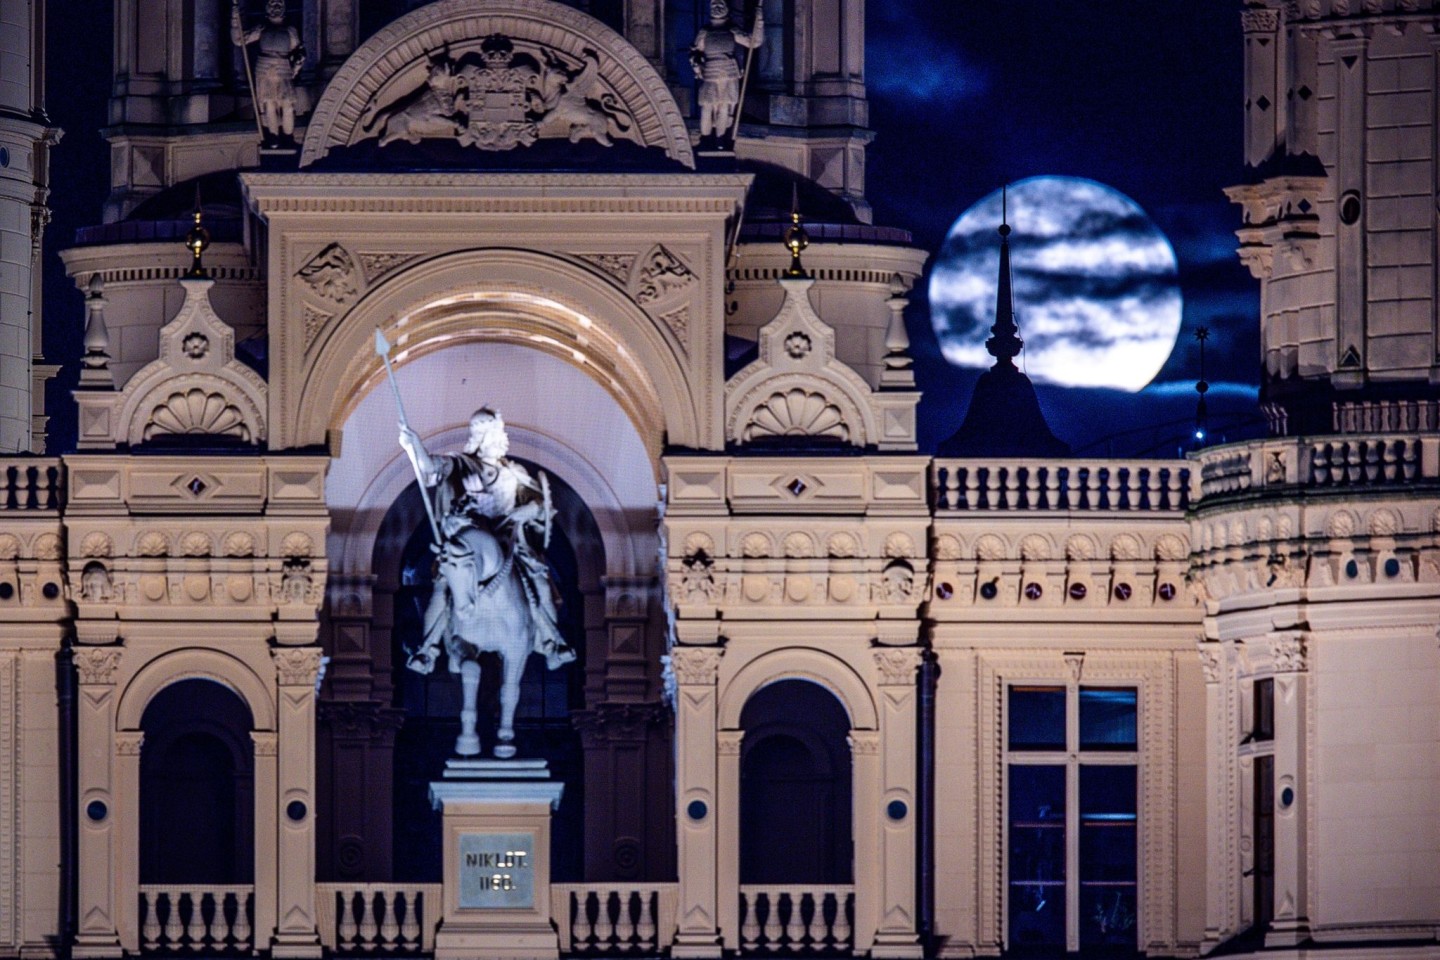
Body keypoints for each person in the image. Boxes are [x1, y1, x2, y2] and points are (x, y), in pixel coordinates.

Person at [399, 408, 574, 674]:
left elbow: (541, 505)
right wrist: (414, 448)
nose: (502, 438)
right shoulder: (460, 464)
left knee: (540, 581)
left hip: (510, 543)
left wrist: (532, 510)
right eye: (496, 433)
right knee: (443, 585)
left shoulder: (513, 471)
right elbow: (430, 468)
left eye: (500, 433)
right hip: (467, 546)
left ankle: (552, 642)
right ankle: (429, 649)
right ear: (482, 436)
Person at [231, 0, 306, 146]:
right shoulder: (262, 28)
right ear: (267, 8)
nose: (276, 8)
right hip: (264, 69)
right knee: (269, 105)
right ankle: (273, 139)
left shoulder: (290, 30)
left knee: (288, 105)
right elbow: (239, 39)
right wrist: (235, 19)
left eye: (279, 5)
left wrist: (298, 63)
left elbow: (299, 50)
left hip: (283, 69)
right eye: (273, 5)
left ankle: (288, 138)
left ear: (284, 8)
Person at [690, 0, 764, 140]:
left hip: (729, 73)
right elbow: (695, 52)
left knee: (724, 107)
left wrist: (759, 21)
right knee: (707, 107)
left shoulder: (732, 29)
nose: (717, 8)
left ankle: (720, 140)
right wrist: (696, 65)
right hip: (710, 73)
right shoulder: (705, 31)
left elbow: (753, 42)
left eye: (720, 5)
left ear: (726, 8)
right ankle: (706, 139)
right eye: (714, 5)